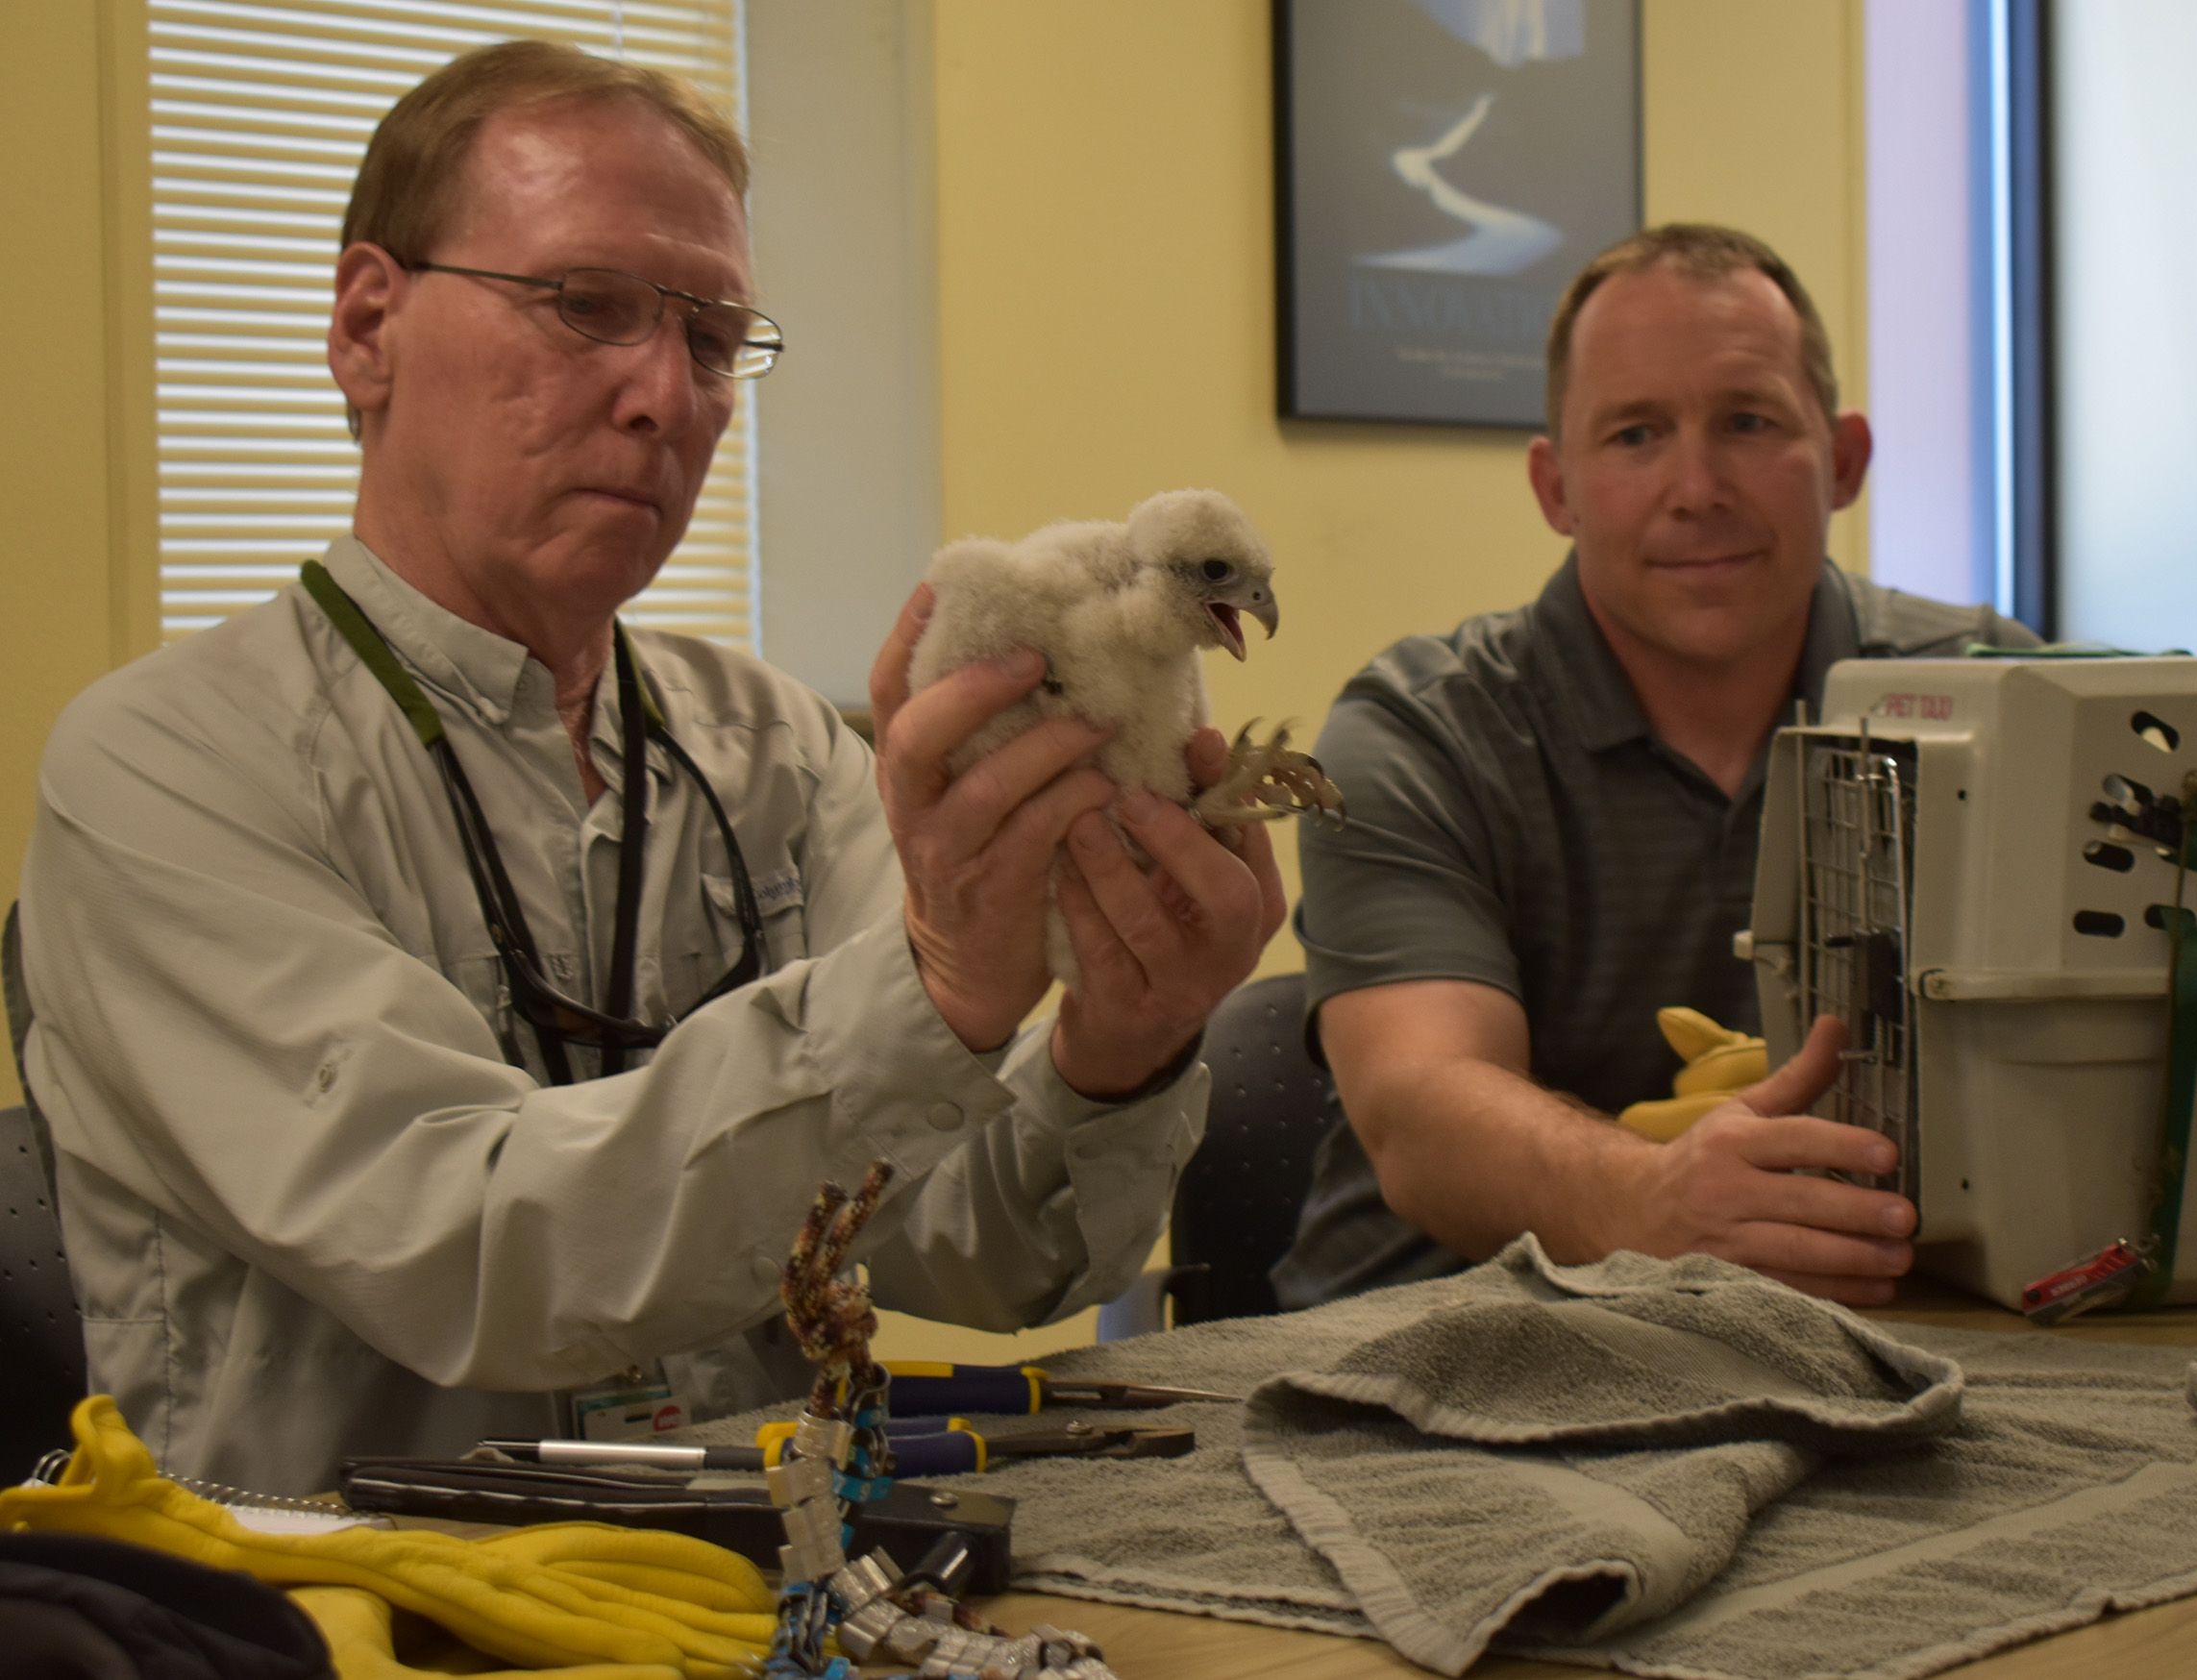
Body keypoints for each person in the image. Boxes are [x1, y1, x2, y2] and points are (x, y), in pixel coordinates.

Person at [17, 41, 1280, 1494]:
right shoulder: (164, 767)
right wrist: (930, 988)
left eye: (707, 337)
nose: (663, 399)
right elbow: (474, 1259)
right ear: (369, 324)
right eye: (586, 306)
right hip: (353, 1622)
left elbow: (973, 1250)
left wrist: (1123, 1050)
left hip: (763, 1584)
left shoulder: (774, 749)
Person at [1274, 224, 2037, 1314]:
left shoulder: (2000, 698)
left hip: (1903, 1351)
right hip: (1440, 1355)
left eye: (1747, 421)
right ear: (1557, 487)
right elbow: (1421, 1109)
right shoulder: (1420, 733)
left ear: (1847, 458)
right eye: (1635, 434)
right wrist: (1656, 1202)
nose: (1697, 486)